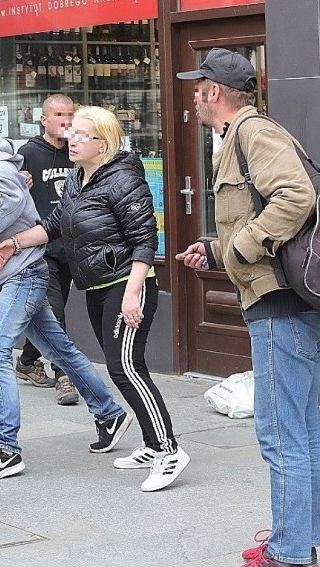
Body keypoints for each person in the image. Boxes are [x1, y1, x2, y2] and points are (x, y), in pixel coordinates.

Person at [0, 111, 132, 482]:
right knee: (60, 349)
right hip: (11, 274)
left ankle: (6, 449)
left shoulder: (1, 176)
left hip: (24, 275)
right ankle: (109, 413)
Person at [0, 106, 190, 492]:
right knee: (126, 368)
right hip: (99, 287)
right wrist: (15, 242)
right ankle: (152, 445)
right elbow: (54, 226)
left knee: (125, 369)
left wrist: (133, 294)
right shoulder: (77, 178)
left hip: (127, 285)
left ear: (104, 142)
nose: (72, 139)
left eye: (82, 134)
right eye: (71, 132)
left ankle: (169, 450)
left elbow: (145, 240)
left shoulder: (122, 178)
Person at [176, 49, 319, 567]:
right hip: (289, 298)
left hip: (281, 305)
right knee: (305, 432)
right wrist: (216, 248)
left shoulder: (254, 133)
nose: (193, 95)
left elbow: (295, 197)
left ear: (215, 92)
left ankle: (288, 554)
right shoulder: (244, 137)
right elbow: (264, 211)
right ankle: (304, 540)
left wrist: (240, 249)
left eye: (198, 86)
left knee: (283, 435)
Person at [15, 94, 79, 406]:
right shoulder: (28, 152)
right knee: (56, 311)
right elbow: (10, 192)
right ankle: (64, 376)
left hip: (72, 244)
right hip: (40, 246)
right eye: (58, 115)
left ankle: (27, 361)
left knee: (51, 311)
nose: (65, 121)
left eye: (70, 114)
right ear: (44, 120)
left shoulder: (79, 151)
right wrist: (19, 183)